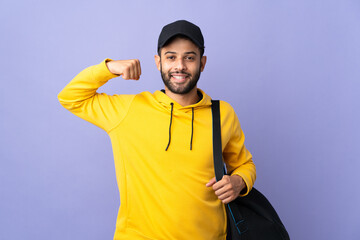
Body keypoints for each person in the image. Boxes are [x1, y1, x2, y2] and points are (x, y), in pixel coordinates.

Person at [58, 20, 256, 240]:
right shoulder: (129, 110)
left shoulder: (222, 114)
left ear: (202, 63)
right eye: (171, 57)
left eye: (189, 57)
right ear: (158, 62)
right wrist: (109, 68)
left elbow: (244, 165)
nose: (179, 66)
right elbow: (70, 97)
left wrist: (239, 182)